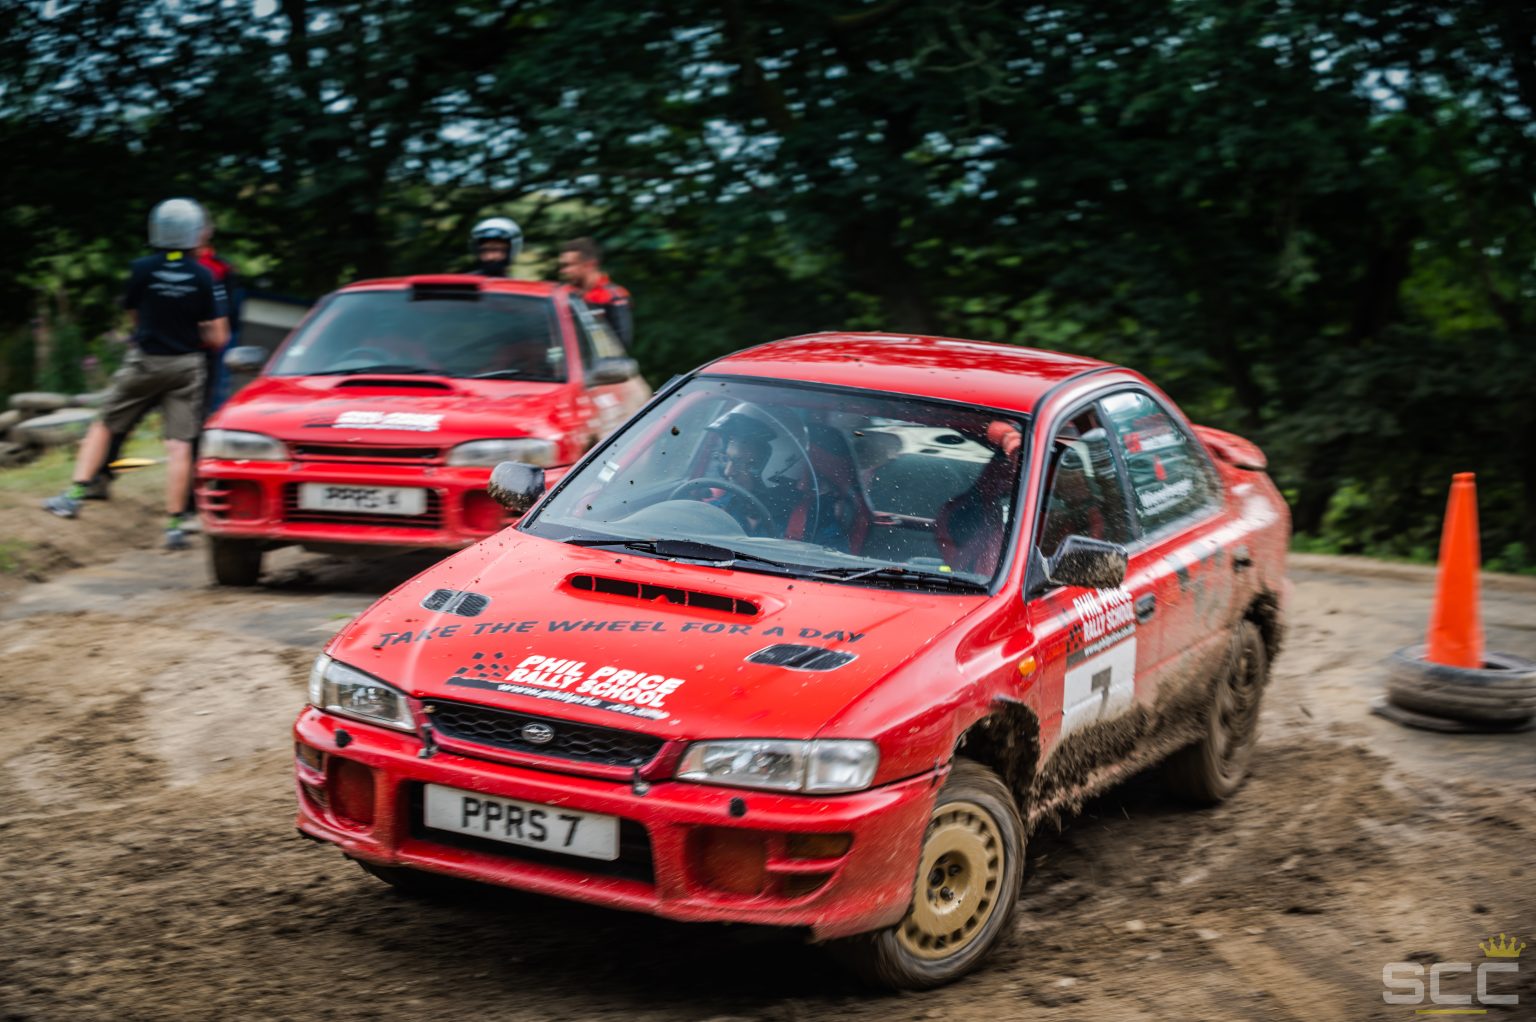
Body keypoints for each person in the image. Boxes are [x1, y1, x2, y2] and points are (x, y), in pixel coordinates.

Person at [43, 198, 230, 551]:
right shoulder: (206, 276)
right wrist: (194, 333)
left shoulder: (141, 269)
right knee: (178, 446)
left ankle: (74, 495)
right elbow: (218, 337)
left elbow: (134, 316)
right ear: (195, 234)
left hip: (145, 361)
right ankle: (175, 525)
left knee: (104, 423)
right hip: (187, 367)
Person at [84, 212, 244, 505]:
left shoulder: (218, 270)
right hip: (154, 354)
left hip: (197, 359)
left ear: (207, 231)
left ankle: (189, 502)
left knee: (189, 431)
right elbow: (138, 309)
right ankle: (98, 477)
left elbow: (225, 324)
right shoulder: (156, 265)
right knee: (123, 419)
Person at [557, 237, 633, 348]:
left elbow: (621, 343)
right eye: (562, 266)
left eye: (569, 265)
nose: (563, 271)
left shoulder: (613, 296)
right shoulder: (563, 295)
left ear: (590, 265)